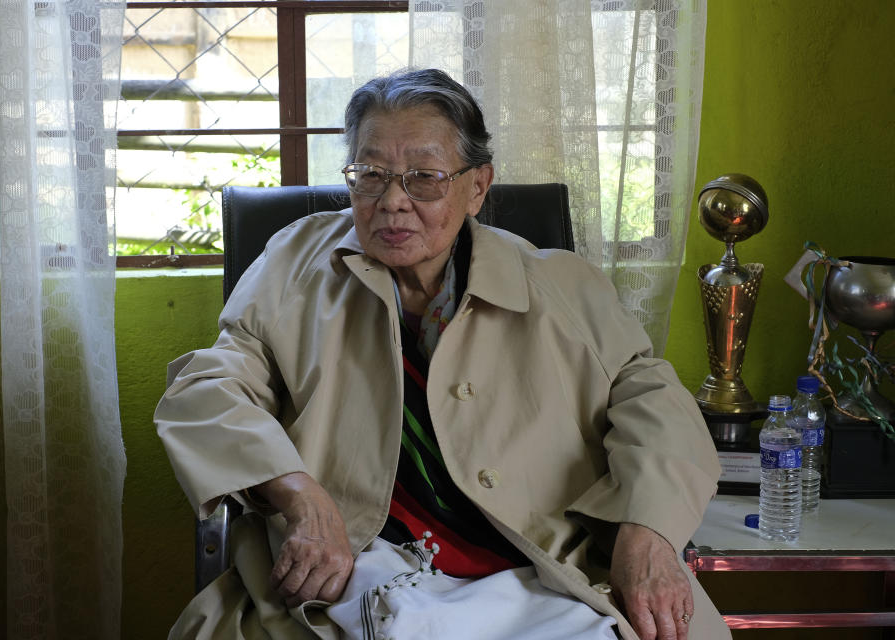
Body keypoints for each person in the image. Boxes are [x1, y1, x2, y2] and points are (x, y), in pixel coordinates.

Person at [155, 68, 730, 640]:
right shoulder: (295, 263)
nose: (392, 203)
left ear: (477, 186)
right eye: (371, 174)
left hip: (540, 572)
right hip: (356, 574)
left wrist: (647, 532)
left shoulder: (560, 284)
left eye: (424, 177)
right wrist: (300, 495)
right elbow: (210, 387)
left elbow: (654, 400)